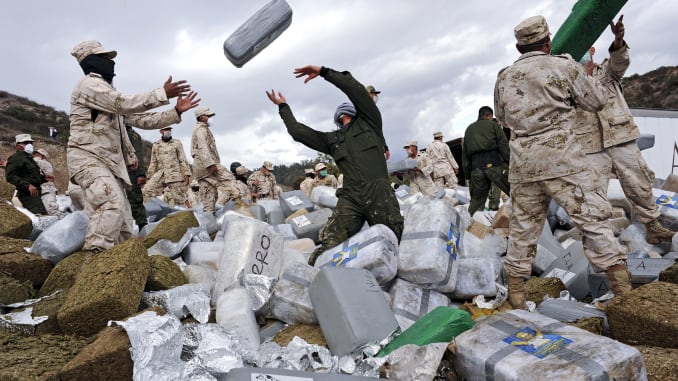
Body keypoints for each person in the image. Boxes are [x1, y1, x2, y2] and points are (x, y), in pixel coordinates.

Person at [494, 15, 631, 308]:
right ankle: (623, 292)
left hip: (524, 163)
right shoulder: (564, 66)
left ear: (519, 47)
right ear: (548, 41)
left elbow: (503, 118)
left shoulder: (504, 76)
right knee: (592, 219)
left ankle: (516, 297)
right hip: (562, 158)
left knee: (523, 228)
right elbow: (595, 101)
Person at [69, 40, 199, 252]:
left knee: (124, 227)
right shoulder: (89, 85)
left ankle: (119, 268)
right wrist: (161, 94)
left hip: (110, 166)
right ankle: (92, 264)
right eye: (104, 58)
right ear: (91, 61)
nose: (110, 63)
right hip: (88, 159)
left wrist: (176, 112)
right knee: (110, 204)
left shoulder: (107, 93)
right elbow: (123, 102)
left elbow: (143, 119)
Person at [266, 65, 404, 265]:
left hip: (379, 193)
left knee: (394, 240)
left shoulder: (370, 122)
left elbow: (354, 89)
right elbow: (298, 132)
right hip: (351, 197)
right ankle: (314, 278)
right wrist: (283, 107)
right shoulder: (333, 139)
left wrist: (323, 72)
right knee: (329, 244)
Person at [574, 15, 675, 244]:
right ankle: (598, 241)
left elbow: (620, 61)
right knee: (593, 193)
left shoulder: (607, 71)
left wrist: (619, 39)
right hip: (590, 145)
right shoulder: (569, 81)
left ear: (591, 50)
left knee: (639, 182)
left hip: (619, 136)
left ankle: (652, 226)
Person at [461, 106, 511, 216]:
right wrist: (510, 163)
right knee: (515, 192)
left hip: (476, 170)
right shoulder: (493, 125)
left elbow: (465, 155)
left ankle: (469, 225)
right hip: (495, 166)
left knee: (476, 202)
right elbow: (504, 146)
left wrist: (468, 175)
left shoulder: (469, 129)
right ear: (490, 116)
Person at [190, 107, 239, 213]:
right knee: (230, 180)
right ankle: (241, 205)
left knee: (209, 197)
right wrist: (211, 164)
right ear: (202, 117)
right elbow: (203, 147)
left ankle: (209, 221)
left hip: (200, 170)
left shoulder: (200, 129)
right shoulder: (201, 130)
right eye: (208, 116)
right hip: (207, 166)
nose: (210, 118)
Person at [143, 126, 191, 206]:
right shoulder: (156, 145)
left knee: (179, 198)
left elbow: (182, 159)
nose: (168, 131)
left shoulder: (177, 143)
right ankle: (152, 212)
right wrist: (149, 176)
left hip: (174, 175)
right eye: (166, 130)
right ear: (161, 131)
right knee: (146, 191)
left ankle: (190, 212)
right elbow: (153, 162)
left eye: (169, 130)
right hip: (161, 174)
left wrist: (187, 173)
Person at [5, 134, 47, 215]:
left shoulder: (29, 158)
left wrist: (44, 178)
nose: (30, 145)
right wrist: (28, 185)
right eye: (26, 143)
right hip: (26, 194)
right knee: (40, 217)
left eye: (30, 142)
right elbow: (10, 176)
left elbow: (32, 176)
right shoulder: (16, 158)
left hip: (35, 193)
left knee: (42, 217)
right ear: (18, 146)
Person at [124, 124, 148, 230]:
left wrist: (141, 174)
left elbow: (138, 155)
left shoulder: (132, 135)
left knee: (135, 201)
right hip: (119, 172)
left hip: (131, 173)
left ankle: (142, 228)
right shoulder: (116, 133)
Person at [32, 148, 61, 216]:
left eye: (38, 154)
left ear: (43, 156)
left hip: (47, 189)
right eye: (35, 154)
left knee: (52, 210)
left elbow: (31, 163)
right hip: (43, 190)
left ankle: (63, 224)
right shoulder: (37, 164)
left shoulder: (44, 163)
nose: (35, 155)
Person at [366, 85, 391, 160]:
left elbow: (379, 130)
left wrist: (385, 147)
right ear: (368, 95)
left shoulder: (375, 110)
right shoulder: (363, 109)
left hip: (377, 146)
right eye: (374, 93)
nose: (376, 96)